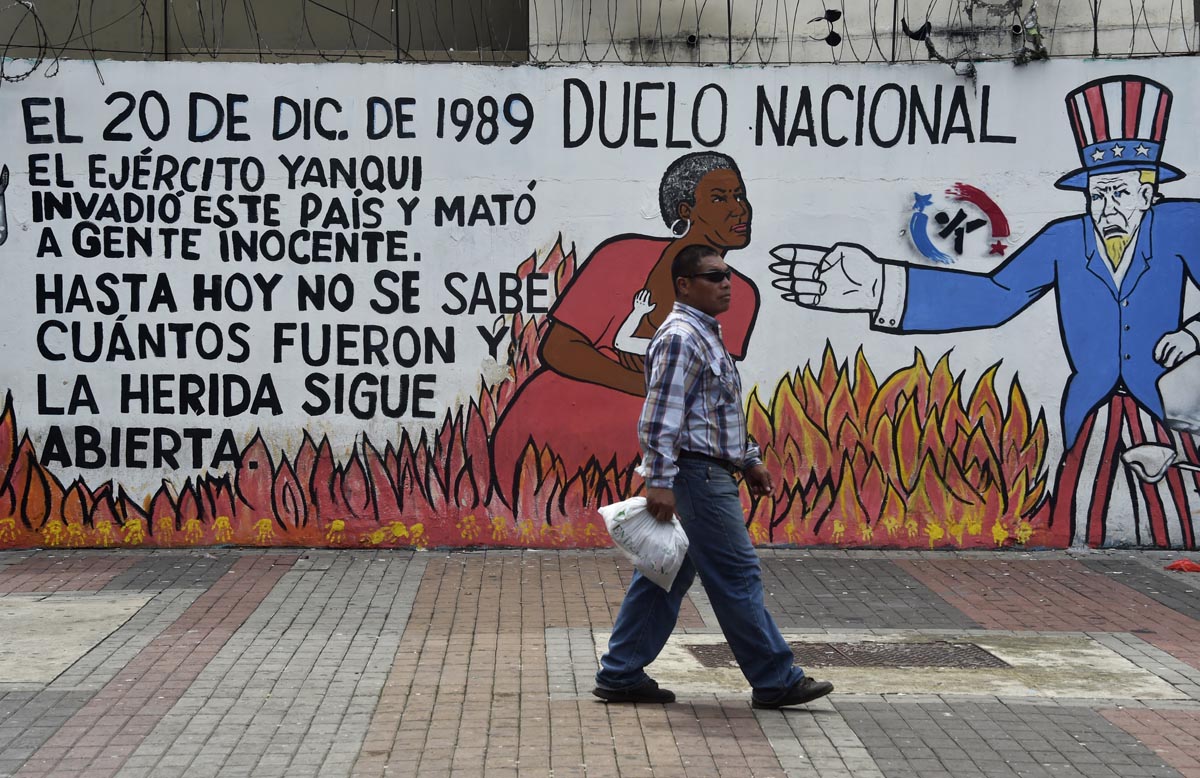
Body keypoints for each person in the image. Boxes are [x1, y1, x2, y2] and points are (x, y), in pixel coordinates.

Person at [770, 75, 1200, 550]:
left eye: (1119, 193)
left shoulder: (1182, 226)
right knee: (1083, 515)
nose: (1106, 208)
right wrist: (879, 286)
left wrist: (1193, 334)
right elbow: (996, 297)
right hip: (1092, 409)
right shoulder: (1064, 238)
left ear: (1148, 193)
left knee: (1177, 512)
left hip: (1163, 406)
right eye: (1097, 195)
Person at [592, 244, 834, 708]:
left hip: (707, 470)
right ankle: (776, 679)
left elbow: (716, 411)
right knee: (736, 574)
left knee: (664, 574)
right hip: (697, 476)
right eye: (714, 276)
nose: (726, 284)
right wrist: (659, 480)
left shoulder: (705, 335)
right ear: (684, 285)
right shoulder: (681, 336)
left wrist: (748, 458)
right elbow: (661, 416)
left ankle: (620, 672)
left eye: (727, 275)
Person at [490, 152, 760, 504]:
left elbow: (714, 391)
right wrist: (650, 386)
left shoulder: (738, 293)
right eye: (720, 198)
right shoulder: (621, 255)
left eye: (740, 195)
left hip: (659, 453)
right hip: (556, 426)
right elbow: (559, 348)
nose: (739, 209)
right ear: (685, 211)